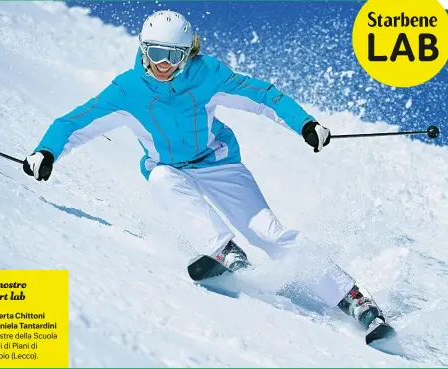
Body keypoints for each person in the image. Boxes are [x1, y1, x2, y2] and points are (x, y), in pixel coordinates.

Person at [23, 10, 389, 334]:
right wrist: (46, 151)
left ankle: (356, 301)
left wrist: (305, 124)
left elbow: (263, 96)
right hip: (169, 167)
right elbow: (76, 121)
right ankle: (224, 251)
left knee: (269, 234)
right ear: (142, 49)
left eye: (173, 55)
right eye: (155, 54)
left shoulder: (206, 75)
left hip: (218, 162)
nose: (163, 64)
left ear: (188, 55)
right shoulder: (127, 90)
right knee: (162, 179)